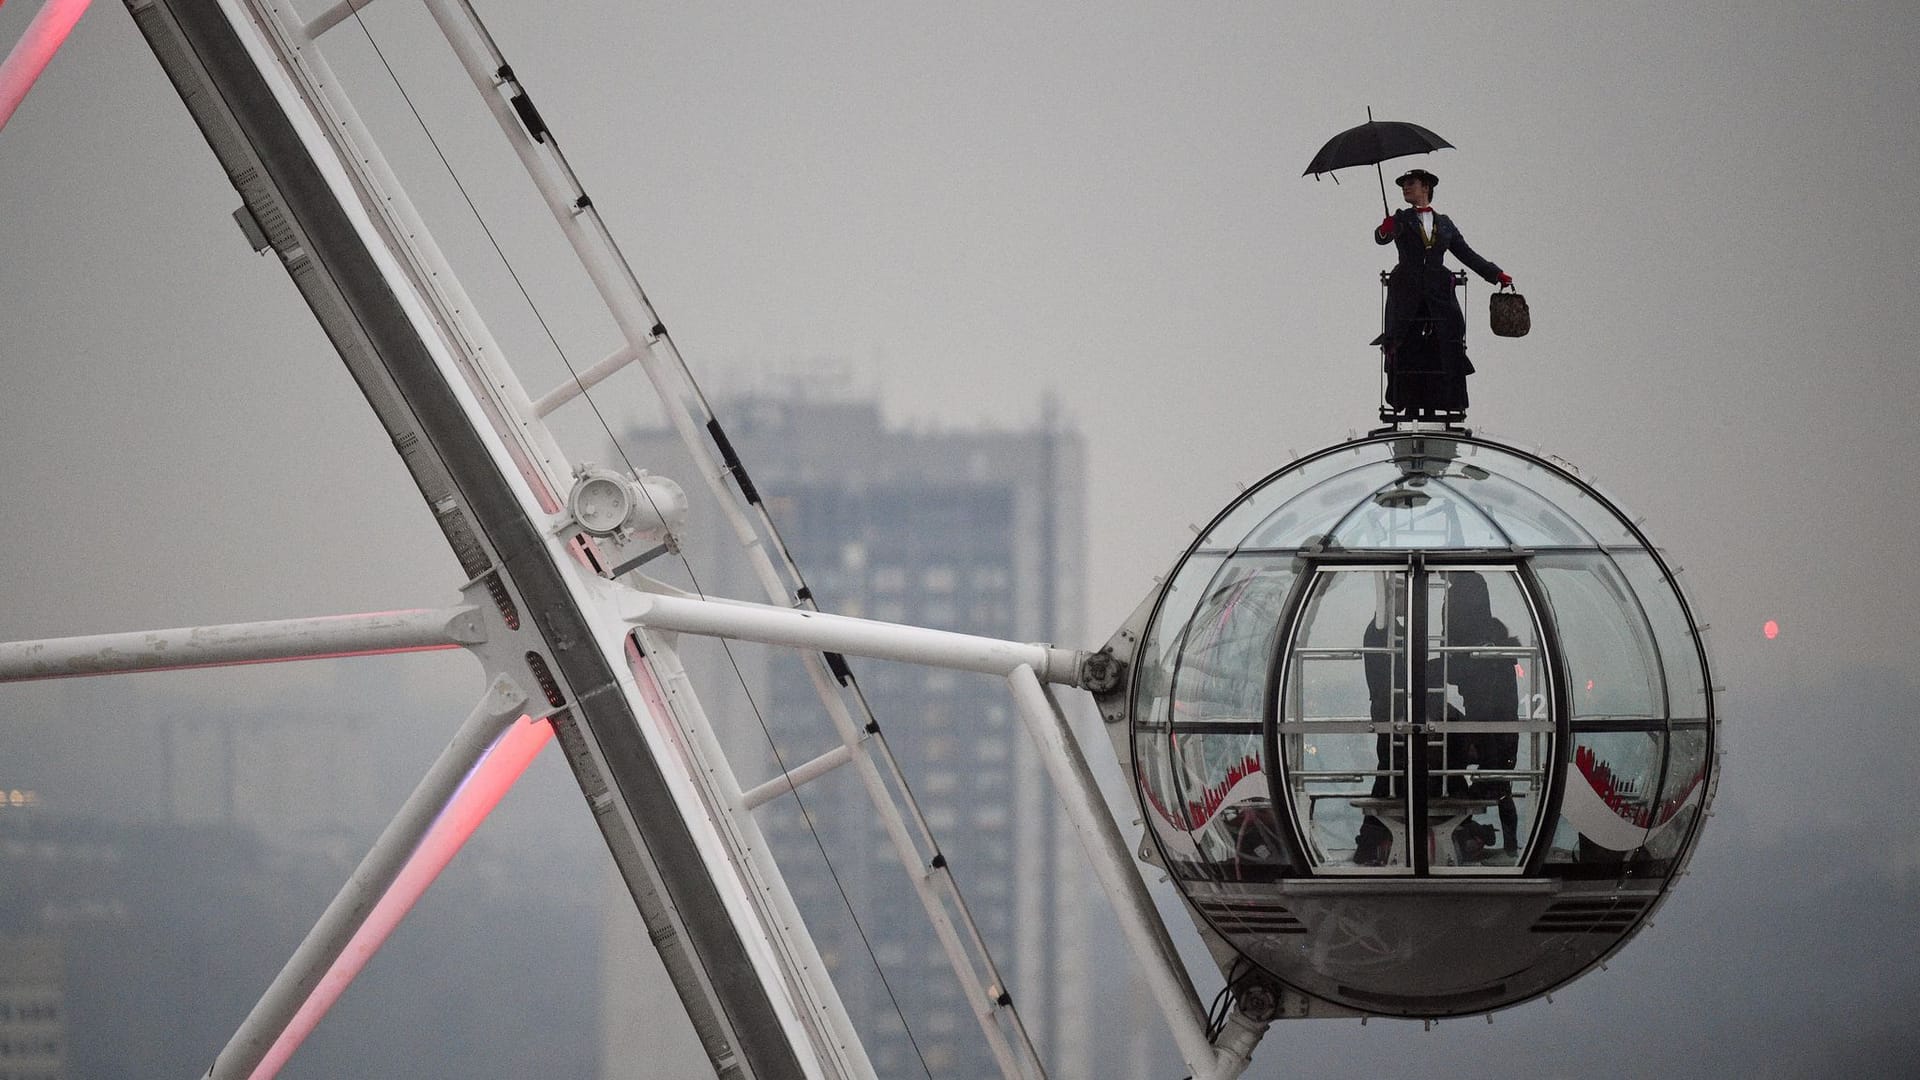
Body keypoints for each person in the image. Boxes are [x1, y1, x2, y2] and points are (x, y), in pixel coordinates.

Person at [1370, 169, 1512, 418]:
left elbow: (1466, 253)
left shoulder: (1444, 223)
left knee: (1446, 342)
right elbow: (1381, 238)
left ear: (1426, 187)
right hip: (1407, 293)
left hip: (1438, 293)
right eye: (1403, 184)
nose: (1405, 188)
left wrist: (1495, 274)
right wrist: (1385, 229)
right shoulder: (1401, 219)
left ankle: (1445, 399)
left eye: (1411, 183)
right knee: (1407, 346)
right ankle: (1409, 402)